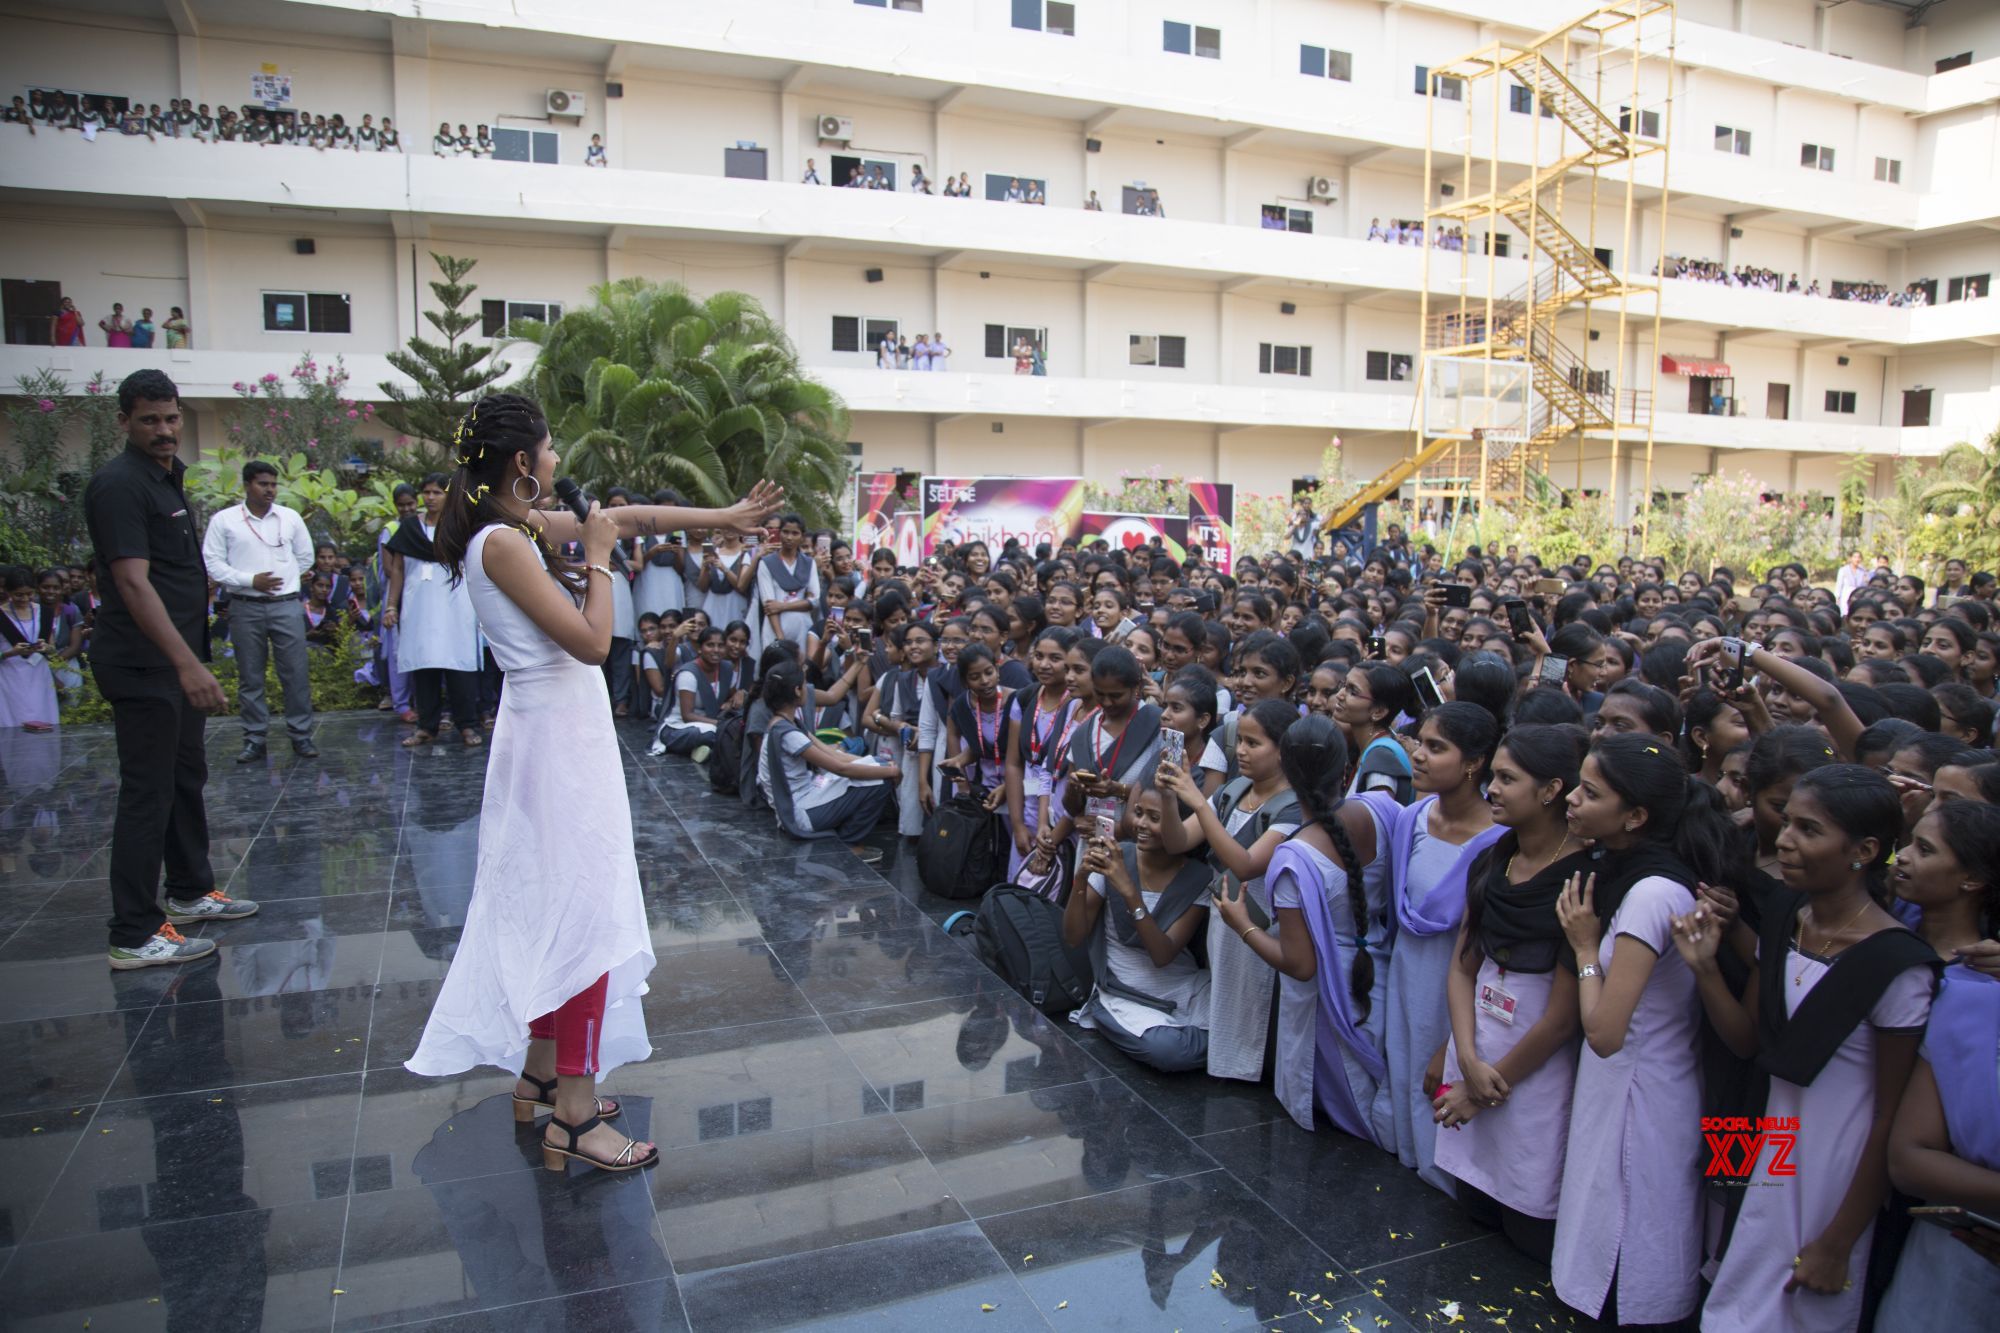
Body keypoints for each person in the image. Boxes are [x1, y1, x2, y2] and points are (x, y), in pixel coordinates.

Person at [407, 391, 782, 1174]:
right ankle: (573, 1117)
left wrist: (722, 517)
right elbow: (588, 641)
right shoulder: (503, 543)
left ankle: (543, 1071)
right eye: (549, 450)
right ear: (522, 462)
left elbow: (629, 517)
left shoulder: (512, 529)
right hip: (554, 740)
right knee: (582, 914)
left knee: (562, 904)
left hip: (557, 734)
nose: (556, 461)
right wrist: (603, 562)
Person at [1676, 765, 1938, 1332]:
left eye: (1809, 830)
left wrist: (1839, 1240)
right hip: (1759, 1131)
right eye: (1787, 822)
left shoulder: (1896, 966)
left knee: (1799, 1309)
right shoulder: (1785, 918)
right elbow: (1748, 1042)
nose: (1786, 840)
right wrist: (1704, 969)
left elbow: (1888, 1113)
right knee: (1734, 1288)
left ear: (1864, 850)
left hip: (1832, 1169)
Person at [1550, 735, 1726, 1325]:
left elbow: (1604, 1030)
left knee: (1632, 1225)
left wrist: (1582, 947)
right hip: (1628, 1083)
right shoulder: (1629, 872)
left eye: (1590, 793)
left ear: (1636, 816)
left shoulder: (1652, 893)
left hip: (1644, 1088)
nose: (1571, 800)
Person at [84, 369, 254, 971]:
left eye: (172, 418)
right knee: (147, 792)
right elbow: (132, 582)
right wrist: (186, 665)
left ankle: (188, 891)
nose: (164, 430)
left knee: (185, 777)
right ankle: (132, 931)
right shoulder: (119, 485)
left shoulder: (165, 477)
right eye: (150, 419)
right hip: (144, 663)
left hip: (175, 660)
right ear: (124, 420)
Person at [1434, 724, 1594, 1262]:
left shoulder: (1581, 880)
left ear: (1550, 791)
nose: (1492, 789)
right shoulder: (1494, 860)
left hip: (1532, 1066)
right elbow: (1462, 968)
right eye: (1494, 776)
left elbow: (1562, 1020)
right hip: (1476, 1047)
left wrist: (1481, 1089)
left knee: (1526, 1225)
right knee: (1471, 1208)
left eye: (1507, 778)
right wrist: (1465, 1058)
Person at [1384, 704, 1504, 1194]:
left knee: (1438, 1079)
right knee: (1404, 1069)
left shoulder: (1498, 843)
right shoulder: (1412, 818)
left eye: (1437, 748)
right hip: (1406, 967)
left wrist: (1450, 1043)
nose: (1419, 755)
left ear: (1474, 764)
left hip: (1454, 981)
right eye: (1421, 743)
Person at [1064, 787, 1214, 1070]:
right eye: (1138, 813)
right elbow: (1073, 937)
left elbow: (1162, 955)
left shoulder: (1199, 877)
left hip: (1182, 985)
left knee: (1242, 1026)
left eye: (1155, 818)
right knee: (1169, 1052)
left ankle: (1196, 1040)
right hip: (1126, 989)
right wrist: (1081, 880)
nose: (1141, 824)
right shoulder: (1117, 858)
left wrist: (1130, 893)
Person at [200, 459, 318, 762]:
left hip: (286, 605)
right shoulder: (225, 520)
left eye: (273, 484)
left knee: (295, 673)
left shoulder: (289, 517)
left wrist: (284, 581)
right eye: (262, 484)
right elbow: (212, 562)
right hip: (245, 607)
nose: (269, 490)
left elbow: (305, 557)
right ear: (247, 485)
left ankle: (301, 736)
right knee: (250, 676)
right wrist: (250, 580)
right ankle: (254, 739)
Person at [383, 473, 484, 748]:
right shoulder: (409, 529)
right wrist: (391, 605)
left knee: (459, 664)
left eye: (437, 492)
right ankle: (426, 726)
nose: (430, 497)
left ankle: (467, 724)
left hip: (456, 606)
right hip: (419, 608)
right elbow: (398, 570)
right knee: (423, 664)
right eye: (426, 492)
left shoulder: (462, 528)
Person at [759, 662, 896, 862]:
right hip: (800, 813)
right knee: (881, 782)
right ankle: (849, 844)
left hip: (808, 796)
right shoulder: (787, 733)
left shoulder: (787, 723)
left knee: (876, 768)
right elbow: (840, 767)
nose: (808, 689)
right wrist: (890, 772)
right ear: (797, 691)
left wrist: (876, 763)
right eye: (805, 684)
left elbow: (833, 754)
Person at [0, 569, 59, 729]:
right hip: (10, 675)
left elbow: (53, 647)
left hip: (39, 673)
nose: (24, 599)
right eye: (19, 595)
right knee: (13, 719)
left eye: (29, 594)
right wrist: (11, 652)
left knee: (42, 717)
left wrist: (46, 647)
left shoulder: (45, 612)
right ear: (8, 592)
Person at [756, 513, 821, 651]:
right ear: (779, 533)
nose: (789, 537)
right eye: (785, 532)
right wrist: (780, 637)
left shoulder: (809, 564)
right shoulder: (767, 563)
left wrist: (782, 606)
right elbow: (769, 606)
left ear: (802, 536)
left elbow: (814, 600)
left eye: (795, 533)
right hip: (775, 628)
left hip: (802, 627)